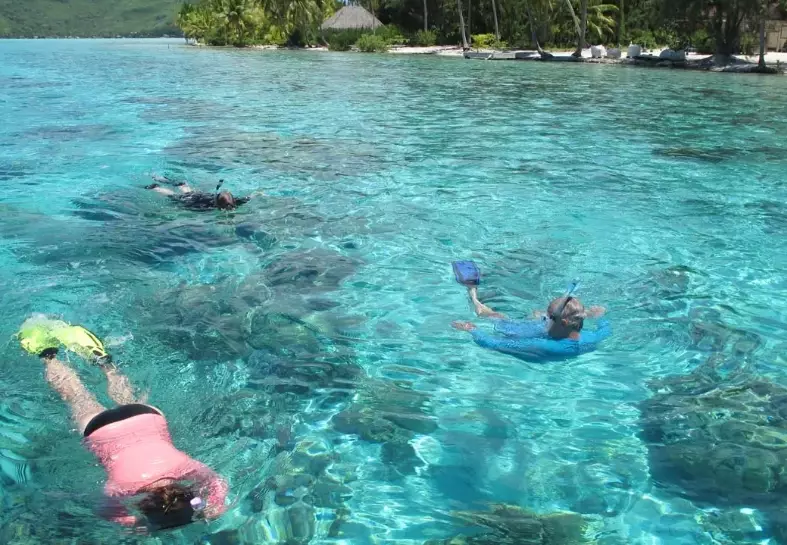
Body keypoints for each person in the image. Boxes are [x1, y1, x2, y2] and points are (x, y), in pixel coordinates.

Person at [17, 315, 228, 531]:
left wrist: (217, 504)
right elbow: (106, 511)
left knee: (126, 397)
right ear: (144, 505)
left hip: (144, 416)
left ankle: (106, 365)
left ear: (188, 493)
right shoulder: (121, 488)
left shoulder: (187, 468)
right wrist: (135, 524)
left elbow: (218, 482)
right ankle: (48, 355)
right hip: (101, 428)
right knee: (75, 394)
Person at [451, 283, 611, 362]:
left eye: (547, 317)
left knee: (498, 318)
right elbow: (606, 329)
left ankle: (478, 303)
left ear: (562, 322)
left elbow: (492, 344)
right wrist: (599, 316)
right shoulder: (591, 337)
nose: (544, 318)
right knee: (536, 315)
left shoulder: (540, 345)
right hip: (555, 336)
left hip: (539, 350)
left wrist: (471, 329)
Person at [145, 175, 256, 211]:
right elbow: (192, 207)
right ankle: (156, 187)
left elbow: (249, 197)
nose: (230, 208)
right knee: (174, 196)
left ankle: (180, 184)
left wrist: (258, 194)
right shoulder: (206, 206)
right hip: (194, 200)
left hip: (200, 195)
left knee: (186, 189)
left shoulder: (235, 202)